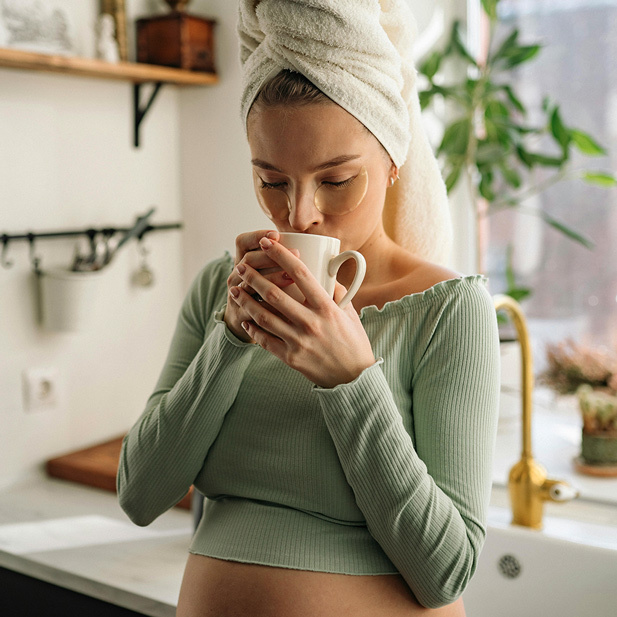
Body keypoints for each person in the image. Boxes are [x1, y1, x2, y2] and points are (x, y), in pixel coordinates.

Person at [117, 2, 500, 615]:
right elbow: (139, 496)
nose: (299, 215)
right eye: (271, 181)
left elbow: (446, 571)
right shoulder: (223, 290)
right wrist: (231, 340)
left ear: (392, 158)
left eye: (337, 180)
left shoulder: (447, 311)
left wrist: (350, 379)